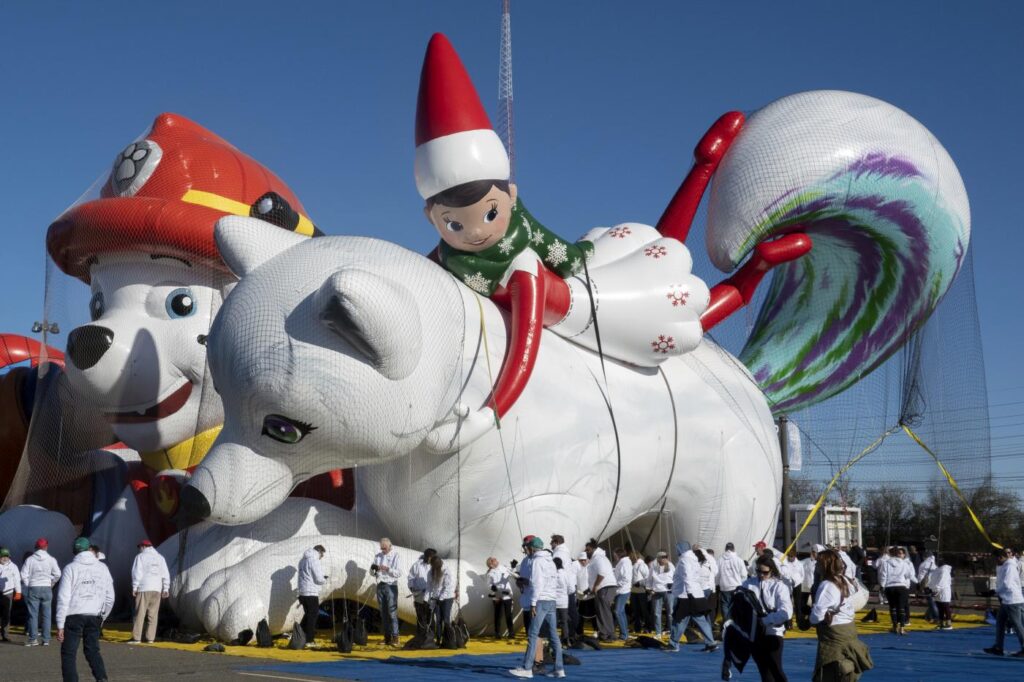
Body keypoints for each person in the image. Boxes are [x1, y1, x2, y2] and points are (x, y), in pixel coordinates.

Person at [810, 549, 873, 681]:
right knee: (847, 671)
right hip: (849, 629)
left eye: (818, 564)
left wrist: (809, 617)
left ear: (824, 566)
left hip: (834, 634)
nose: (816, 567)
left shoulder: (827, 585)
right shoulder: (846, 580)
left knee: (830, 672)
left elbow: (816, 616)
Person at [56, 536, 114, 682]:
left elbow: (63, 598)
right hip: (95, 614)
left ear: (74, 552)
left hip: (74, 614)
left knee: (69, 653)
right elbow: (110, 597)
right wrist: (102, 616)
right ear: (90, 549)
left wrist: (60, 624)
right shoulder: (102, 568)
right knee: (92, 649)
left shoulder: (70, 568)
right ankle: (101, 678)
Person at [509, 536, 564, 679]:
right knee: (553, 636)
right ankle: (559, 669)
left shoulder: (537, 561)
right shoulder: (550, 560)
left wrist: (533, 603)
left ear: (532, 548)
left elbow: (537, 584)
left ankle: (527, 668)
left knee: (533, 634)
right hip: (551, 600)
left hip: (540, 601)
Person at [742, 555, 793, 681]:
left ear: (772, 570)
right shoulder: (748, 584)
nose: (761, 575)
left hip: (773, 632)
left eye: (765, 572)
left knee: (776, 669)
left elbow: (786, 612)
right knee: (764, 670)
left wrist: (766, 620)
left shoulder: (779, 586)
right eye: (758, 571)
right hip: (755, 633)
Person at [669, 541, 717, 652]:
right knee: (700, 619)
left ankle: (673, 643)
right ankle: (710, 642)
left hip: (686, 595)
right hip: (696, 593)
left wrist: (690, 593)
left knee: (679, 619)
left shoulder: (684, 559)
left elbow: (687, 577)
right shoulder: (694, 558)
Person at [983, 546, 1024, 657]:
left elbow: (1007, 584)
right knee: (1000, 624)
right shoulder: (1004, 565)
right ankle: (998, 647)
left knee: (1017, 625)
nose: (995, 561)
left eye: (996, 558)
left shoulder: (1009, 566)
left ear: (1001, 557)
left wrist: (994, 592)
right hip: (1007, 600)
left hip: (1013, 601)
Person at [128, 539, 170, 645]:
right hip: (157, 589)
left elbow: (137, 572)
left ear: (143, 546)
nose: (139, 549)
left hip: (144, 587)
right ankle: (150, 638)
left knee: (140, 613)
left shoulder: (140, 557)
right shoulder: (160, 558)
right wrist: (166, 588)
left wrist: (134, 587)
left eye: (139, 547)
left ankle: (137, 638)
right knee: (153, 614)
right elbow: (165, 574)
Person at [21, 537, 61, 647]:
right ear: (46, 547)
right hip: (47, 587)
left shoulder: (30, 559)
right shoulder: (51, 559)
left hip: (34, 587)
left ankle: (33, 638)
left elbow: (23, 574)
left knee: (33, 614)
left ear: (36, 547)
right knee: (47, 614)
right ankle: (46, 639)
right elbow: (58, 574)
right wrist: (52, 583)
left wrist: (28, 584)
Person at [372, 537, 402, 647]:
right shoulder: (378, 556)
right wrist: (373, 569)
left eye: (385, 548)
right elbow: (372, 573)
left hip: (391, 585)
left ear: (390, 546)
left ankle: (396, 637)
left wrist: (387, 569)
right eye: (381, 548)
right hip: (380, 584)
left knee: (392, 612)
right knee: (383, 613)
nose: (383, 550)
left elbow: (398, 573)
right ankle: (387, 637)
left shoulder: (396, 556)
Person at [878, 545, 915, 635]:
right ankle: (902, 628)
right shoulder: (904, 563)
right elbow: (909, 575)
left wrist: (882, 586)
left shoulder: (885, 563)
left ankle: (895, 626)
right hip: (901, 586)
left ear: (890, 554)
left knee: (893, 607)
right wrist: (916, 581)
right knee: (901, 608)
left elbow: (883, 575)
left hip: (889, 587)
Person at [585, 539, 617, 641]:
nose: (586, 552)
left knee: (604, 611)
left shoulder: (599, 558)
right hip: (602, 587)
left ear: (593, 549)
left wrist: (595, 586)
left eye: (588, 550)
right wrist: (591, 588)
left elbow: (602, 573)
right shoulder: (597, 558)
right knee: (602, 611)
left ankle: (607, 634)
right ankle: (606, 633)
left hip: (604, 587)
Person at [297, 544, 327, 648]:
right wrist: (324, 579)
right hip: (311, 592)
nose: (321, 557)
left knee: (308, 615)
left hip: (302, 592)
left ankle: (299, 635)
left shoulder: (302, 561)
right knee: (313, 616)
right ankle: (309, 640)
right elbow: (318, 578)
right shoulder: (314, 560)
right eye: (322, 555)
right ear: (319, 552)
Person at [409, 548, 438, 644]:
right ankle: (421, 637)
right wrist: (412, 588)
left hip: (430, 596)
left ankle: (431, 637)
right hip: (419, 595)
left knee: (430, 617)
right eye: (432, 557)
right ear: (428, 557)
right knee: (421, 617)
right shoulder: (417, 565)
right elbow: (411, 578)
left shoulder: (435, 566)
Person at [426, 555, 455, 646]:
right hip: (436, 598)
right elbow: (430, 587)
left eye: (433, 566)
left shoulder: (446, 571)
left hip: (447, 598)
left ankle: (447, 639)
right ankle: (438, 639)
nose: (432, 568)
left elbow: (447, 587)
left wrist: (441, 598)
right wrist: (428, 599)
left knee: (445, 619)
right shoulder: (431, 572)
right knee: (438, 619)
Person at [486, 556, 514, 638]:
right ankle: (497, 633)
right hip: (497, 596)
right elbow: (488, 584)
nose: (496, 560)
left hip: (507, 595)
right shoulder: (490, 573)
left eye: (496, 559)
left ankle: (511, 632)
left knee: (508, 614)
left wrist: (513, 566)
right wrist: (492, 588)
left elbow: (511, 572)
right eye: (494, 560)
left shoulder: (503, 567)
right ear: (491, 564)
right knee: (498, 615)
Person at [648, 551, 675, 637]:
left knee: (670, 612)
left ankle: (671, 631)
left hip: (668, 591)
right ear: (658, 558)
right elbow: (649, 579)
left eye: (665, 557)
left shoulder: (671, 566)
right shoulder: (653, 566)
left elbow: (676, 577)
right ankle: (658, 633)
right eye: (662, 557)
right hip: (657, 591)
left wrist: (673, 584)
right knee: (656, 613)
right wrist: (649, 589)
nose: (664, 559)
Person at [718, 542, 746, 621]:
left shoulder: (720, 560)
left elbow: (717, 574)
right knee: (736, 605)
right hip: (736, 586)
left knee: (725, 605)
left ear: (725, 549)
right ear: (734, 549)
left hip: (724, 586)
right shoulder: (738, 559)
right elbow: (744, 574)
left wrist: (717, 584)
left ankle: (727, 622)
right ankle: (736, 622)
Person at [926, 555, 953, 631]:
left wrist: (936, 589)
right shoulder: (937, 569)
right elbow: (933, 579)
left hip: (943, 591)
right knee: (940, 607)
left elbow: (942, 581)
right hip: (936, 590)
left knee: (945, 606)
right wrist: (930, 588)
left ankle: (948, 623)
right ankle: (941, 623)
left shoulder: (944, 570)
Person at [0, 547, 21, 641]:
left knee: (6, 614)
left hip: (8, 593)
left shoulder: (13, 566)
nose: (5, 558)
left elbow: (17, 580)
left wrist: (18, 592)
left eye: (6, 556)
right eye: (2, 556)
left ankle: (5, 634)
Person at [612, 547, 633, 641]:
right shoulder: (623, 563)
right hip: (621, 590)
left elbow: (626, 578)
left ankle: (624, 634)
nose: (614, 557)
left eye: (615, 555)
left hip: (622, 590)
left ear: (618, 555)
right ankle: (624, 632)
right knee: (621, 611)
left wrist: (616, 585)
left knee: (618, 611)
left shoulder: (624, 563)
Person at [629, 550, 651, 634]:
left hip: (641, 591)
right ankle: (637, 627)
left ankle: (648, 627)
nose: (630, 559)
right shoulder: (633, 565)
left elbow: (647, 577)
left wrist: (640, 583)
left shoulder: (642, 565)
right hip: (634, 591)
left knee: (644, 610)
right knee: (635, 611)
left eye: (631, 558)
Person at [552, 557, 572, 643]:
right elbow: (571, 588)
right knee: (564, 622)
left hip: (554, 601)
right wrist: (565, 593)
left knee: (554, 622)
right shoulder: (566, 574)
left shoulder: (552, 574)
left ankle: (554, 640)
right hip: (563, 601)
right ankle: (565, 639)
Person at [916, 550, 938, 623]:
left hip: (927, 585)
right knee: (933, 601)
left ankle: (936, 617)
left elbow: (921, 576)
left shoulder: (924, 564)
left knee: (931, 602)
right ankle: (928, 616)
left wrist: (920, 584)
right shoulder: (934, 564)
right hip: (935, 585)